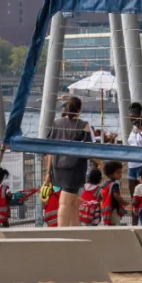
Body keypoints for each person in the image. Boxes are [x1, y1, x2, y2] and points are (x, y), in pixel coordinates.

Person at [45, 97, 93, 227]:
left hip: (57, 167)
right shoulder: (84, 125)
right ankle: (62, 231)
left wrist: (48, 172)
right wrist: (99, 163)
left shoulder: (56, 123)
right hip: (74, 168)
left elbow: (50, 149)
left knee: (73, 202)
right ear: (79, 109)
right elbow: (89, 148)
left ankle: (75, 228)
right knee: (65, 202)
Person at [101, 161, 129, 226]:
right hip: (113, 209)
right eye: (118, 173)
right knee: (113, 226)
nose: (121, 174)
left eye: (121, 172)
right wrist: (124, 203)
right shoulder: (115, 184)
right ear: (110, 175)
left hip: (106, 208)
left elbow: (100, 194)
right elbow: (116, 195)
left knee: (109, 225)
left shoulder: (105, 184)